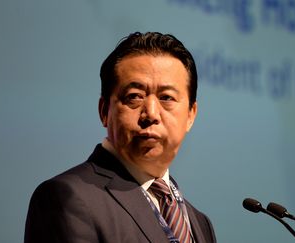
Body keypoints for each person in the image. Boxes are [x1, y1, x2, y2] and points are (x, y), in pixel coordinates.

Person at [24, 32, 216, 243]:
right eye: (134, 96)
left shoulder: (200, 223)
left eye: (166, 98)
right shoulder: (66, 197)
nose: (151, 113)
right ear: (104, 111)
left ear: (191, 114)